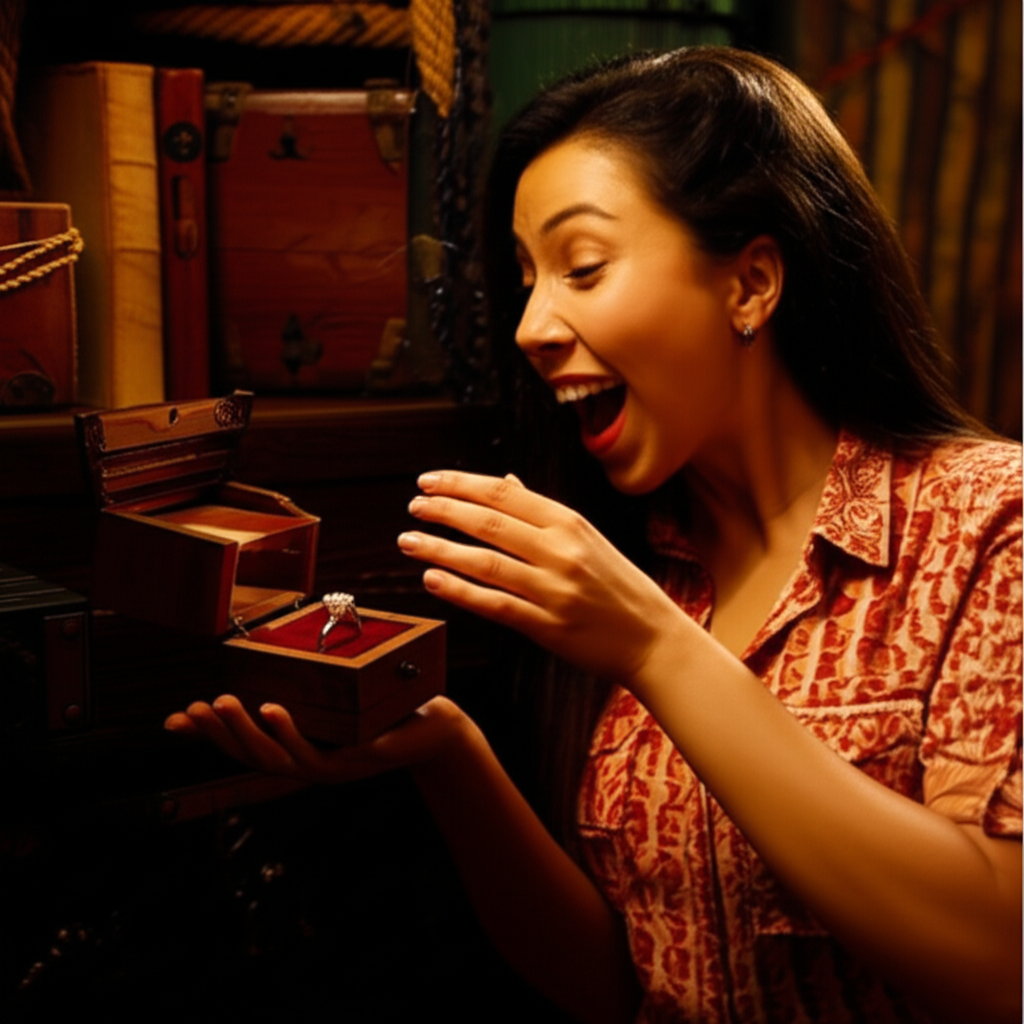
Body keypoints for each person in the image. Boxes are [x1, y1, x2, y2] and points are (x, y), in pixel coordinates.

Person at [166, 47, 1022, 1023]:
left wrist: (654, 645)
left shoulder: (987, 519)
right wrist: (449, 755)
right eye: (527, 279)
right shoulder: (632, 563)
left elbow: (1000, 961)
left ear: (750, 282)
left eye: (582, 266)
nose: (534, 325)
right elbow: (629, 987)